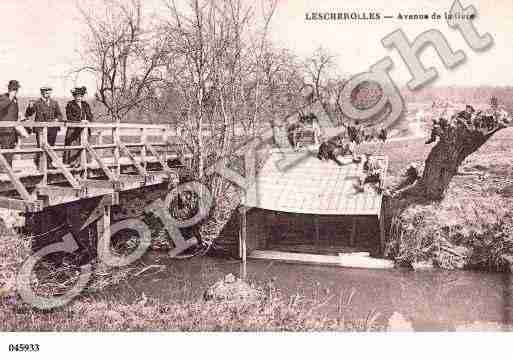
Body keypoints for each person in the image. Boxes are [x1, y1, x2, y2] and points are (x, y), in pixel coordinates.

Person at [25, 86, 63, 168]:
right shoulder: (37, 103)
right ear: (42, 93)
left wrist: (57, 119)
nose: (47, 94)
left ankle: (49, 164)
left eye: (49, 92)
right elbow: (28, 114)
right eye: (46, 92)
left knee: (51, 146)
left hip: (52, 129)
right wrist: (30, 107)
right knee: (41, 146)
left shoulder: (54, 102)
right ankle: (39, 163)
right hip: (41, 129)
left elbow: (60, 115)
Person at [63, 87, 93, 167]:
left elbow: (90, 115)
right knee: (74, 144)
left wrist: (87, 120)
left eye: (80, 96)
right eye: (77, 96)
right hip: (74, 129)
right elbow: (69, 116)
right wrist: (80, 121)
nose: (79, 98)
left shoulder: (85, 104)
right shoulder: (70, 104)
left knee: (84, 143)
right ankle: (72, 162)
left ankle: (83, 162)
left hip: (84, 129)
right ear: (74, 96)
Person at [0, 80, 21, 171]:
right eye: (13, 89)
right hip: (5, 129)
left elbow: (13, 113)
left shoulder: (15, 99)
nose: (15, 90)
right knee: (6, 148)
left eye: (16, 89)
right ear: (9, 89)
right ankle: (4, 168)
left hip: (12, 128)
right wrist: (10, 98)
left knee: (10, 148)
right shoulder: (3, 97)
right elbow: (1, 107)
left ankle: (8, 168)